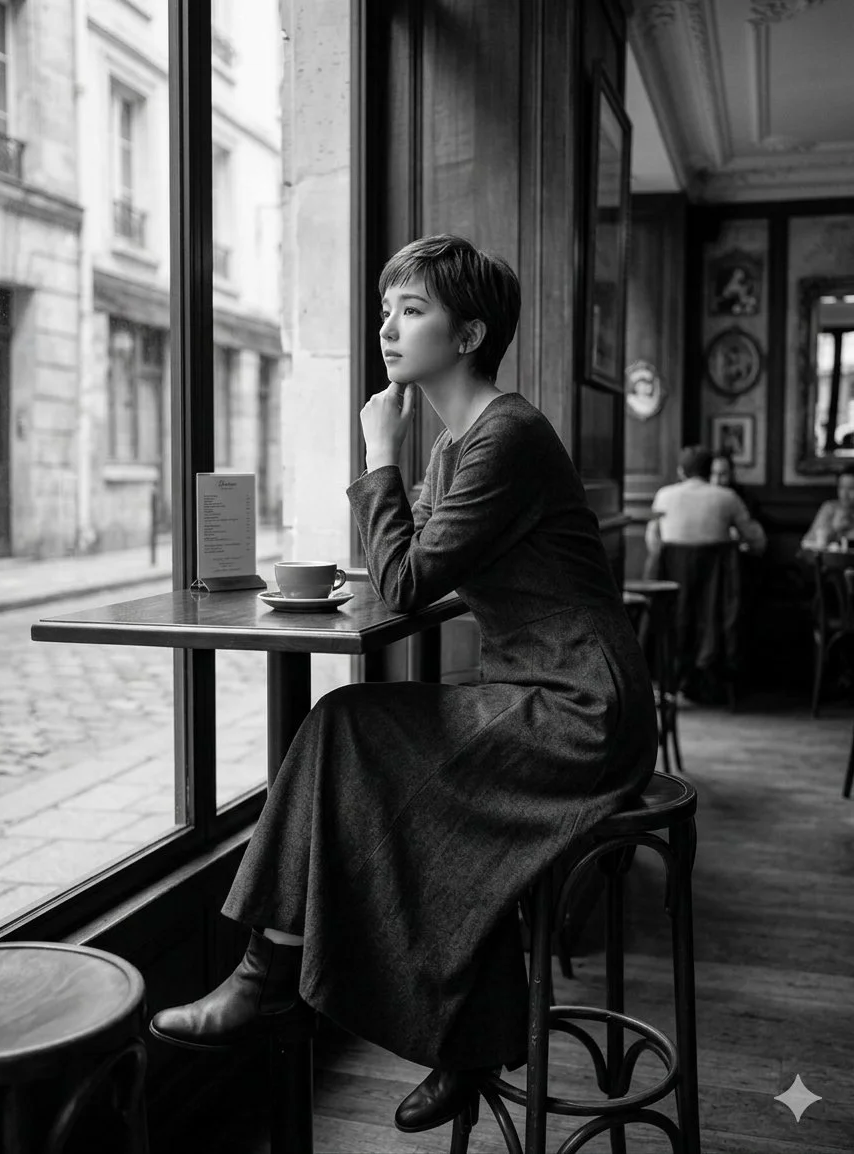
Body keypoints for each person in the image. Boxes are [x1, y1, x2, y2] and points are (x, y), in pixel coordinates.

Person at [149, 235, 658, 1134]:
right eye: (387, 309)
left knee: (349, 730)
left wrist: (378, 448)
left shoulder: (506, 434)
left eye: (410, 310)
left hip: (579, 706)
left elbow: (414, 579)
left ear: (468, 334)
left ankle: (272, 979)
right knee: (354, 736)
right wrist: (386, 521)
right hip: (530, 689)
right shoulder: (459, 446)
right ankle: (451, 1031)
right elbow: (404, 568)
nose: (387, 327)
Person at [645, 444, 763, 574]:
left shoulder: (663, 496)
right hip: (715, 584)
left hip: (671, 578)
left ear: (681, 471)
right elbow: (756, 540)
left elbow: (652, 537)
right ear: (709, 471)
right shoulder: (728, 497)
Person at [709, 451, 767, 556]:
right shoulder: (703, 497)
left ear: (731, 474)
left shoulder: (744, 497)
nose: (716, 480)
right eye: (713, 474)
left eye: (722, 474)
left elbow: (755, 537)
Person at [801, 465, 854, 550]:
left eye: (851, 488)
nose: (845, 494)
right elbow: (807, 542)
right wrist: (834, 528)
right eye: (841, 487)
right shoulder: (830, 508)